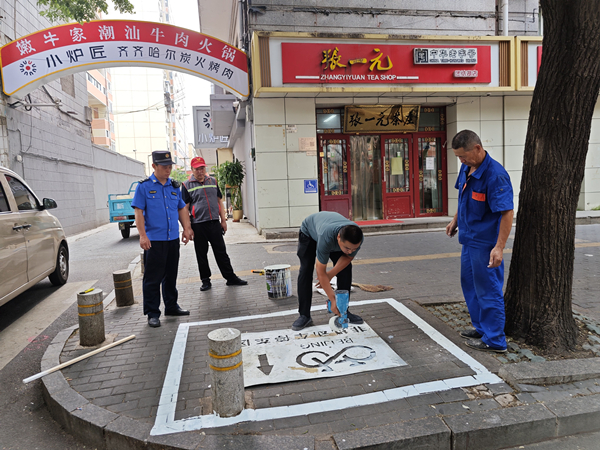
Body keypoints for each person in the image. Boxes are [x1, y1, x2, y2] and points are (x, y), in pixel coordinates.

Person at [446, 130, 514, 353]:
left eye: (463, 156)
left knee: (488, 289)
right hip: (469, 240)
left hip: (486, 244)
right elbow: (463, 197)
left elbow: (507, 213)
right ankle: (482, 328)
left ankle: (495, 339)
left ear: (477, 148)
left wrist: (499, 247)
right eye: (458, 157)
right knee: (470, 286)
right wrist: (455, 221)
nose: (461, 161)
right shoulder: (468, 168)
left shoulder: (495, 175)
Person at [132, 151, 194, 328]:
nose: (168, 170)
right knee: (153, 278)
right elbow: (139, 213)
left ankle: (171, 306)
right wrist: (143, 235)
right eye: (164, 167)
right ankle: (152, 313)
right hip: (154, 241)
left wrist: (186, 229)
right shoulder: (143, 187)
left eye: (170, 167)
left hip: (172, 239)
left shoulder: (174, 186)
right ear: (154, 166)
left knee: (171, 274)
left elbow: (182, 209)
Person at [182, 156, 247, 291]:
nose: (200, 171)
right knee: (201, 254)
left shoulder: (213, 181)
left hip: (214, 223)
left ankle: (230, 277)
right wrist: (187, 228)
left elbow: (219, 201)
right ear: (192, 170)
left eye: (202, 168)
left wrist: (223, 221)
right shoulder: (186, 185)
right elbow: (185, 208)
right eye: (197, 169)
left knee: (221, 252)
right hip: (198, 224)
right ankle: (205, 281)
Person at [292, 211, 364, 331]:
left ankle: (343, 311)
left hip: (329, 233)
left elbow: (348, 257)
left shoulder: (357, 238)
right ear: (339, 238)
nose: (351, 251)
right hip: (309, 233)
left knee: (346, 269)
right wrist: (332, 299)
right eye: (347, 248)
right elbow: (321, 272)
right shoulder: (327, 237)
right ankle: (304, 315)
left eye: (354, 249)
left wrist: (330, 274)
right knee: (306, 270)